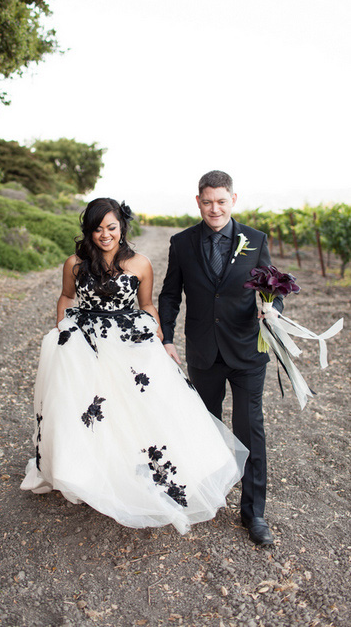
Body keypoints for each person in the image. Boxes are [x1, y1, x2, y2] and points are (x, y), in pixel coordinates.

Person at [21, 197, 248, 535]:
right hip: (84, 340)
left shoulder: (140, 263)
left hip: (126, 338)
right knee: (86, 405)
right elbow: (67, 296)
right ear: (89, 231)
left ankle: (131, 472)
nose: (104, 235)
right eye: (97, 229)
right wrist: (61, 326)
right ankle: (87, 471)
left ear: (122, 227)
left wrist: (158, 337)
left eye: (111, 227)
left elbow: (146, 305)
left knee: (136, 406)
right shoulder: (74, 263)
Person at [159, 171, 283, 545]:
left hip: (246, 351)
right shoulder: (181, 243)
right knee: (205, 429)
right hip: (202, 351)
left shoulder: (256, 240)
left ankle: (254, 514)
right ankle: (204, 498)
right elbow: (169, 294)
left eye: (222, 201)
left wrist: (271, 307)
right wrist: (165, 336)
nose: (215, 208)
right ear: (198, 201)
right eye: (208, 201)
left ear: (233, 200)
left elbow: (271, 286)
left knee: (250, 430)